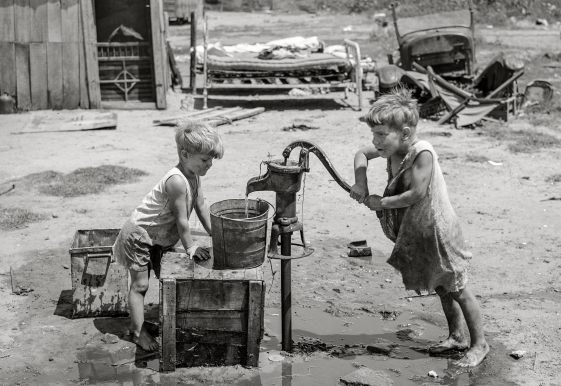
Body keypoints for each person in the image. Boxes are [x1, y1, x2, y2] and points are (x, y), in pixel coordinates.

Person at [350, 89, 489, 367]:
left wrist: (382, 202)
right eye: (373, 134)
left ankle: (479, 344)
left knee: (458, 288)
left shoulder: (421, 153)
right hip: (418, 229)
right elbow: (360, 154)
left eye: (380, 135)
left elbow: (417, 193)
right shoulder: (387, 149)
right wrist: (361, 182)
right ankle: (457, 337)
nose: (374, 141)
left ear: (403, 133)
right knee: (440, 285)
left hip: (439, 230)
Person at [113, 118, 224, 352]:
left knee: (164, 277)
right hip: (139, 235)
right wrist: (191, 248)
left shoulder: (194, 176)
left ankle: (142, 322)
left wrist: (217, 234)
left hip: (156, 237)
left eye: (211, 160)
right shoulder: (176, 181)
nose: (209, 165)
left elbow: (202, 206)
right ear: (185, 155)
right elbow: (182, 220)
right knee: (140, 285)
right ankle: (137, 333)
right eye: (205, 159)